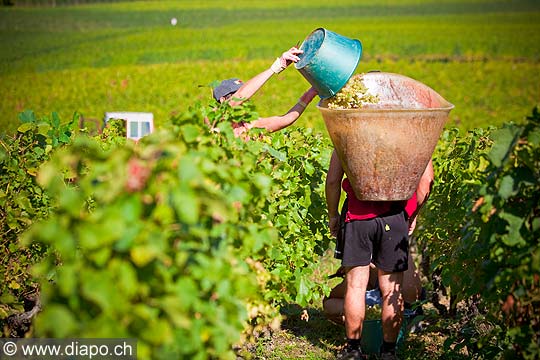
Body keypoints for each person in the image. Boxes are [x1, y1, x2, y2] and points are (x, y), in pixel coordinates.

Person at [325, 149, 434, 360]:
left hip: (357, 217)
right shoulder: (414, 128)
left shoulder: (347, 125)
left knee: (356, 286)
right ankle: (388, 352)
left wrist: (333, 214)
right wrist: (411, 216)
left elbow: (332, 181)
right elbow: (427, 180)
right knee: (392, 290)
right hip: (394, 217)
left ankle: (353, 350)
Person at [211, 47, 318, 136]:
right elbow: (240, 96)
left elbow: (285, 120)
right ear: (222, 99)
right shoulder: (213, 119)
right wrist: (277, 66)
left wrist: (310, 94)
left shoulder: (249, 125)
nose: (245, 101)